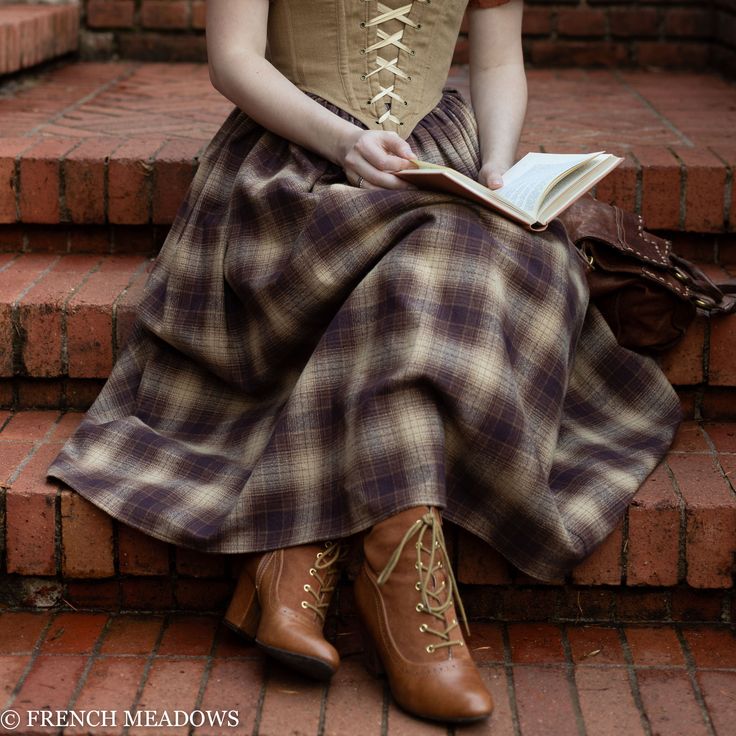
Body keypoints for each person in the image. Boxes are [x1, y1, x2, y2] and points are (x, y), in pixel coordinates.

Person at [47, 0, 681, 724]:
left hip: (439, 158)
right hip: (294, 161)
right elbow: (234, 61)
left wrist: (498, 165)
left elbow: (499, 61)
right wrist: (347, 143)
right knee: (432, 263)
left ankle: (311, 560)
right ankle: (396, 579)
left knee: (451, 255)